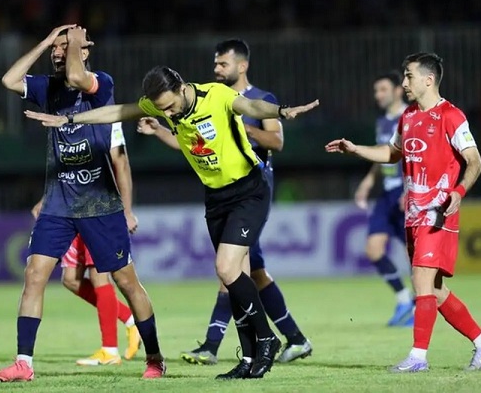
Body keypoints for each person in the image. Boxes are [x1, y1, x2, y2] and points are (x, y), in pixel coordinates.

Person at [24, 66, 320, 379]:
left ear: (181, 87)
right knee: (237, 277)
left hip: (249, 190)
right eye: (161, 109)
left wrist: (281, 111)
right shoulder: (163, 105)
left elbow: (252, 106)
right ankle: (248, 359)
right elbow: (117, 112)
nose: (167, 113)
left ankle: (267, 338)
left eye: (169, 106)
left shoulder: (215, 95)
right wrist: (70, 120)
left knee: (226, 268)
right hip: (216, 197)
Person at [0, 25, 165, 382]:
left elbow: (76, 77)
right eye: (55, 48)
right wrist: (44, 42)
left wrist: (72, 42)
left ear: (84, 51)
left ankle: (154, 357)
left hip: (100, 205)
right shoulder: (47, 87)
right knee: (34, 274)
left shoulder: (102, 84)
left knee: (126, 282)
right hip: (58, 204)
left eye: (66, 46)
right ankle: (24, 362)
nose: (58, 52)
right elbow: (9, 80)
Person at [137, 39, 312, 365]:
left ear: (241, 66)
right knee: (251, 271)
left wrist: (242, 126)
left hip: (251, 190)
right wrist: (160, 131)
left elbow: (276, 141)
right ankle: (293, 339)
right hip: (222, 195)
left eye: (223, 64)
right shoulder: (203, 102)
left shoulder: (258, 99)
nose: (216, 69)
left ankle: (216, 345)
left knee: (230, 270)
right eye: (215, 64)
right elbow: (193, 145)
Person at [325, 52, 481, 372]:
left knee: (421, 281)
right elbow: (392, 152)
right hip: (413, 215)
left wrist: (459, 192)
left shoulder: (451, 116)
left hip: (438, 213)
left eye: (409, 76)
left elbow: (475, 161)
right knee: (435, 290)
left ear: (428, 80)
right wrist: (356, 149)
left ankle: (418, 357)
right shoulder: (408, 116)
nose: (404, 83)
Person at [29, 121, 141, 366]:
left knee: (100, 276)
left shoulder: (106, 118)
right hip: (69, 208)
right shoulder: (65, 119)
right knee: (70, 279)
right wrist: (46, 199)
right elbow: (65, 167)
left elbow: (121, 163)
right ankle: (130, 319)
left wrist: (127, 210)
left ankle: (109, 350)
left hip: (98, 208)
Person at [354, 71, 413, 327]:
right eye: (376, 90)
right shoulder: (382, 122)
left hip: (406, 193)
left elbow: (417, 157)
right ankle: (404, 300)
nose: (377, 95)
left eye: (383, 90)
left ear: (398, 90)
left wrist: (410, 189)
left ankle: (422, 308)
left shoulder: (410, 117)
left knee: (415, 256)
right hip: (387, 195)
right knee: (373, 249)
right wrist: (368, 181)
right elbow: (384, 155)